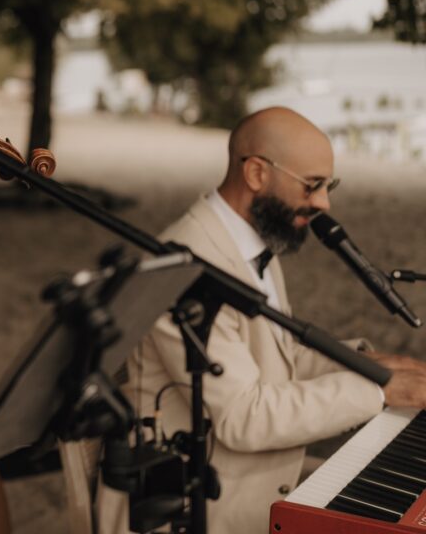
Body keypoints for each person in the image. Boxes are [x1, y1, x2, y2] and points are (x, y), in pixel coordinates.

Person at [97, 106, 426, 534]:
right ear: (256, 173)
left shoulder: (250, 240)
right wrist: (378, 392)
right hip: (193, 506)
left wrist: (367, 364)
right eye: (313, 185)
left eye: (329, 185)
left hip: (248, 480)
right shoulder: (184, 265)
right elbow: (242, 417)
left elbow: (276, 359)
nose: (324, 203)